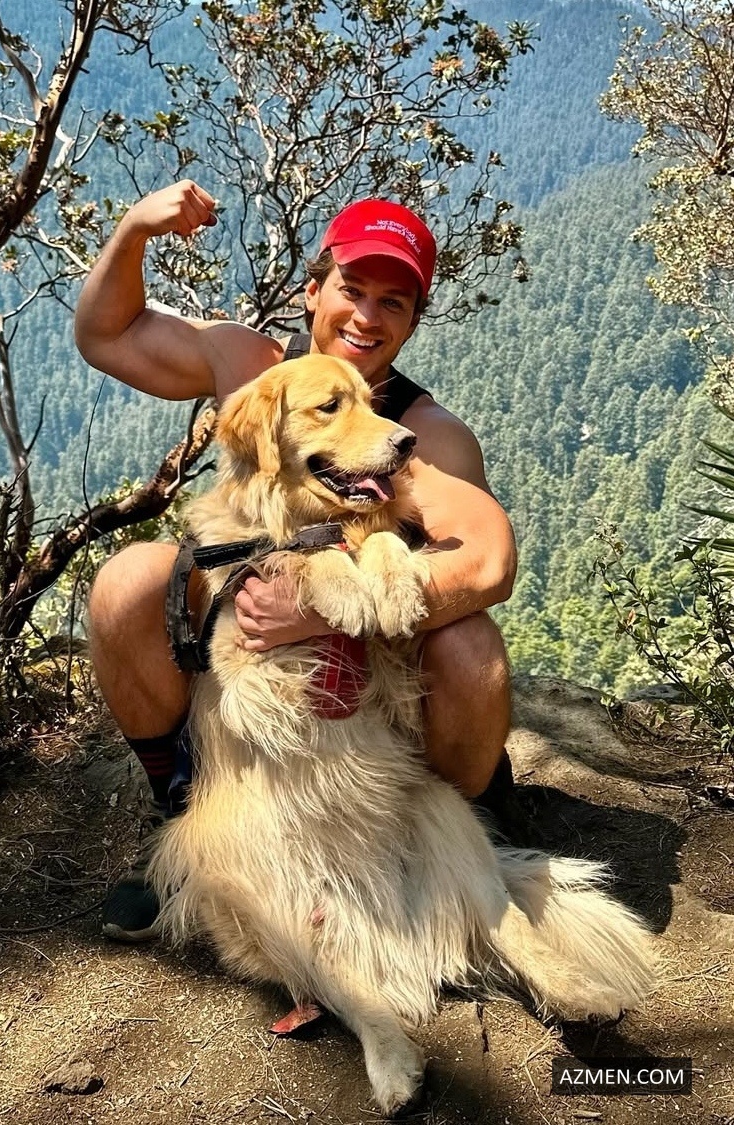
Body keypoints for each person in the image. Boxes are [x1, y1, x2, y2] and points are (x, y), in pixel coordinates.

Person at [74, 179, 518, 942]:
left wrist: (320, 608)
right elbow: (104, 336)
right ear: (314, 292)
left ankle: (452, 835)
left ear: (412, 321)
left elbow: (489, 560)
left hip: (375, 710)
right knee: (127, 583)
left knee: (472, 648)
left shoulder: (422, 433)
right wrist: (134, 229)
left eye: (393, 302)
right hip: (272, 707)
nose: (367, 316)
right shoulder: (250, 365)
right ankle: (183, 810)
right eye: (353, 288)